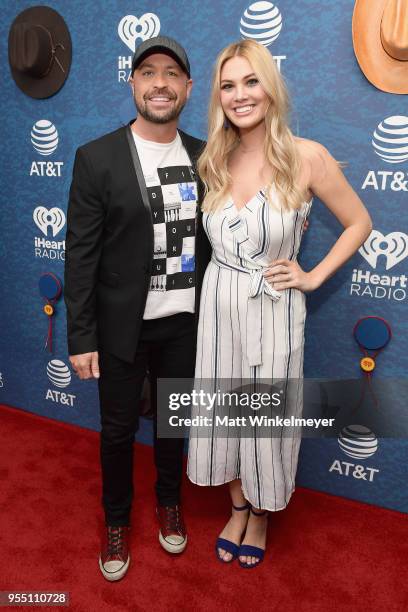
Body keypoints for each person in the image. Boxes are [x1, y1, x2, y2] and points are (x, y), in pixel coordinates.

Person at [187, 39, 372, 569]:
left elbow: (360, 223)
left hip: (274, 306)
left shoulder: (304, 156)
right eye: (228, 85)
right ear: (217, 96)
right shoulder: (214, 158)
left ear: (271, 87)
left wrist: (312, 277)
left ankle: (261, 515)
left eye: (251, 81)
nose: (240, 95)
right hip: (221, 304)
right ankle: (239, 505)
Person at [64, 36, 211, 581]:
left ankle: (169, 502)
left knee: (174, 425)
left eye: (172, 73)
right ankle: (117, 521)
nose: (160, 83)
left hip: (184, 323)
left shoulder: (205, 154)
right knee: (119, 431)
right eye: (148, 72)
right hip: (121, 327)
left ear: (188, 88)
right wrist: (81, 337)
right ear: (133, 83)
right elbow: (80, 256)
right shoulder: (96, 157)